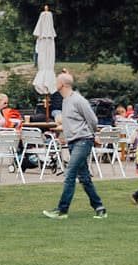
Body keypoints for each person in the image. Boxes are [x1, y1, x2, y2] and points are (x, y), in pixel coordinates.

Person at [43, 71, 108, 220]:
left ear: (62, 84)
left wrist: (91, 135)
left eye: (57, 81)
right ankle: (99, 207)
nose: (55, 83)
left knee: (70, 173)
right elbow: (72, 122)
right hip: (74, 141)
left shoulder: (78, 100)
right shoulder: (66, 101)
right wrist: (65, 136)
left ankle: (62, 210)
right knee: (84, 177)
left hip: (83, 141)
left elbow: (93, 120)